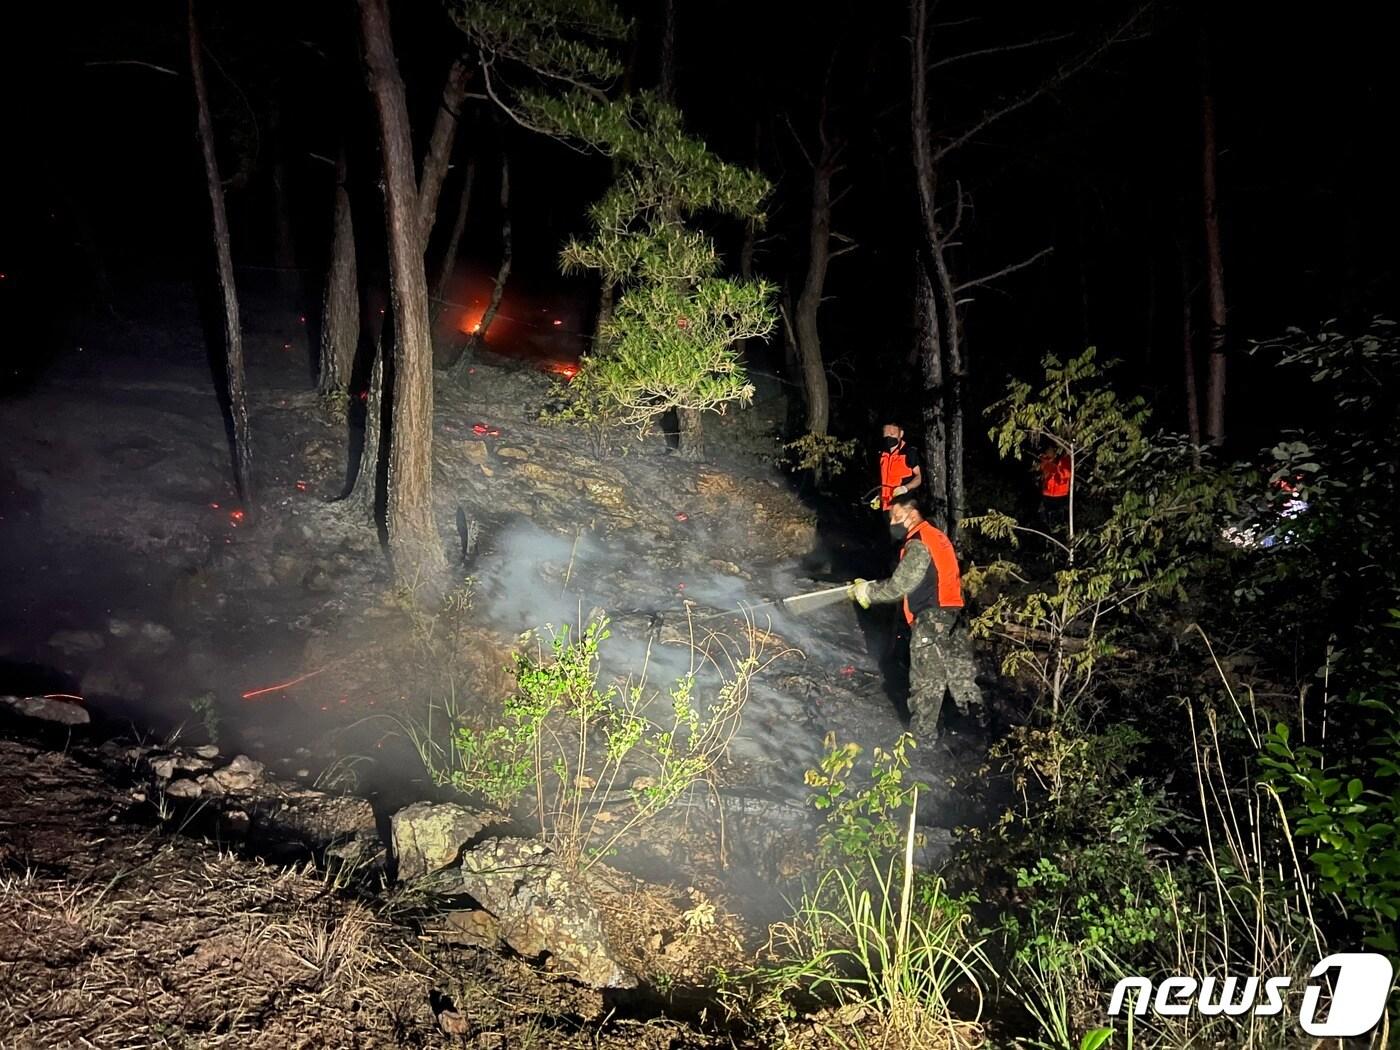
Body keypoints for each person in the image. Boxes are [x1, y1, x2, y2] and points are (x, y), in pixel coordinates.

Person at [847, 495, 985, 739]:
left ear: (912, 514)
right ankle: (977, 736)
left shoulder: (919, 542)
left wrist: (868, 591)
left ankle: (922, 744)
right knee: (962, 680)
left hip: (932, 619)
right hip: (954, 616)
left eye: (896, 516)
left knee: (926, 684)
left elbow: (901, 585)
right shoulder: (938, 537)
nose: (892, 522)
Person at [871, 423, 923, 511]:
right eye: (886, 434)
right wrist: (878, 496)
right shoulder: (882, 454)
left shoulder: (909, 452)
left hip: (904, 507)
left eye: (892, 434)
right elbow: (883, 481)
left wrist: (905, 488)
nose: (889, 437)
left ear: (901, 434)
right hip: (886, 508)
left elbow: (919, 477)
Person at [1037, 445, 1071, 528]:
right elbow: (1044, 472)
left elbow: (1066, 475)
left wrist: (1057, 469)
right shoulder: (1045, 460)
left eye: (1050, 451)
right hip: (1047, 493)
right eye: (1047, 452)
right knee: (1044, 515)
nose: (1048, 453)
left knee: (1059, 516)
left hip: (1060, 494)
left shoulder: (1064, 460)